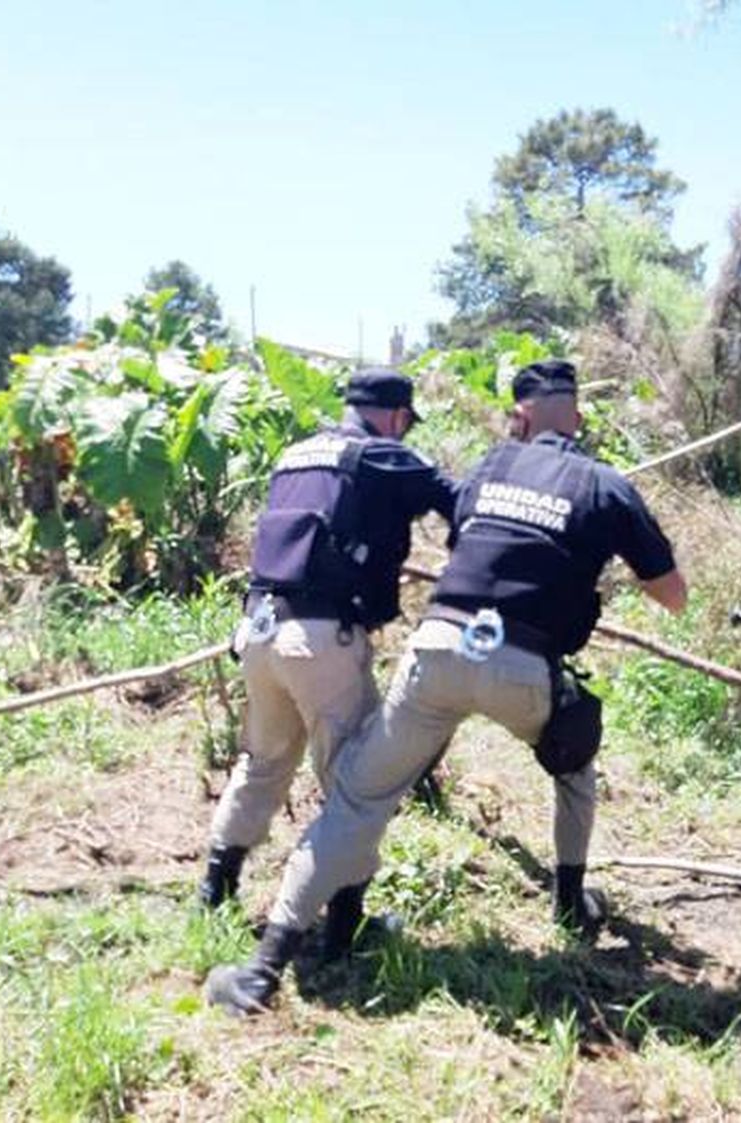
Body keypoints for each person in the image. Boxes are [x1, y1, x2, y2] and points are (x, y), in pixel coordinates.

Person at [204, 358, 688, 1015]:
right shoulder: (605, 484)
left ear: (519, 418)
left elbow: (471, 536)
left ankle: (261, 969)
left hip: (417, 651)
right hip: (514, 667)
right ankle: (570, 900)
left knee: (352, 796)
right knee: (574, 761)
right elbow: (673, 597)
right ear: (576, 417)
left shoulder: (479, 464)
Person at [197, 368, 456, 919]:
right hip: (319, 639)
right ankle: (344, 923)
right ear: (395, 416)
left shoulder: (296, 454)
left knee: (262, 762)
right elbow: (455, 499)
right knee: (355, 782)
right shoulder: (381, 454)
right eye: (406, 424)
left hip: (260, 630)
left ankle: (213, 896)